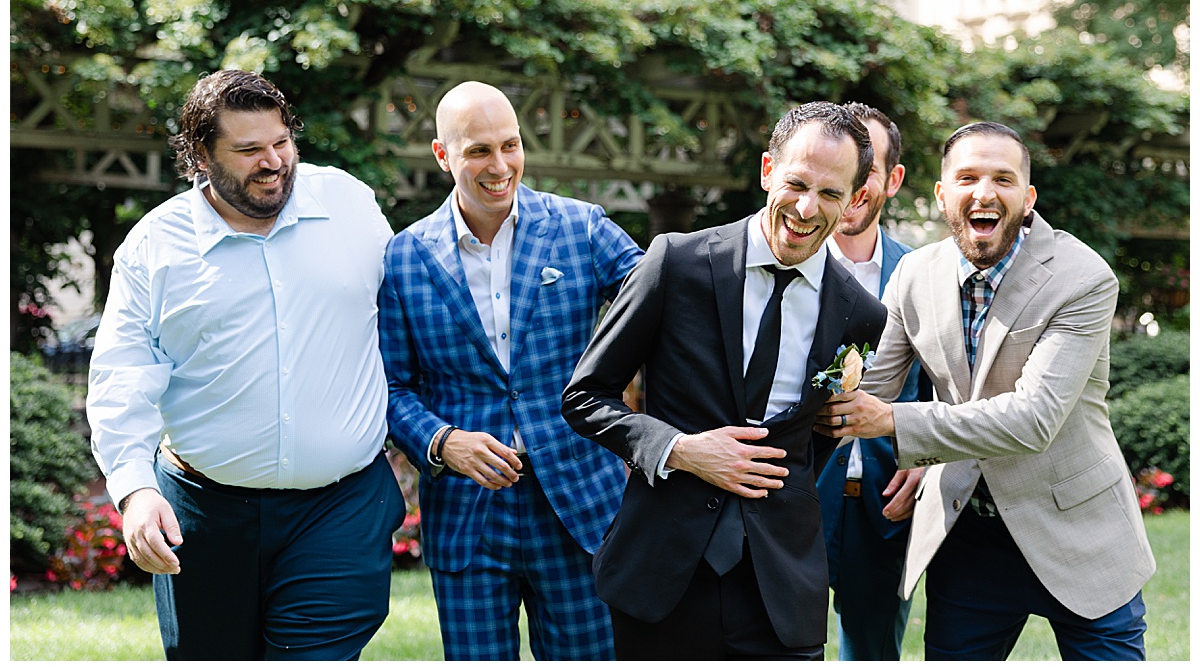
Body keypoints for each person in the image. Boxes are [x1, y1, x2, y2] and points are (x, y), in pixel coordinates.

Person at [86, 69, 404, 660]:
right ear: (200, 156)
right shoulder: (155, 246)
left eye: (282, 142)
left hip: (340, 508)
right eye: (249, 150)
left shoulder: (350, 204)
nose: (274, 162)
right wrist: (133, 491)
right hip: (203, 515)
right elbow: (121, 376)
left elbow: (406, 320)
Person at [816, 121, 1155, 660]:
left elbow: (1033, 419)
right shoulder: (914, 274)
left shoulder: (1084, 277)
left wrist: (895, 422)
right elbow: (872, 388)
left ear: (1028, 196)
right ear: (941, 193)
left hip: (1078, 532)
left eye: (1003, 178)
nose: (984, 192)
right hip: (967, 537)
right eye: (967, 176)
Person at [562, 101, 887, 660]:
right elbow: (584, 396)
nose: (807, 208)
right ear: (767, 171)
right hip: (663, 574)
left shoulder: (862, 314)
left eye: (830, 194)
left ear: (856, 199)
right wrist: (679, 449)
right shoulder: (676, 263)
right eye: (796, 183)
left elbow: (819, 436)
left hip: (782, 584)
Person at [378, 81, 642, 660]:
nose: (500, 166)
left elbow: (663, 301)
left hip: (578, 503)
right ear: (444, 156)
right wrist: (443, 443)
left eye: (511, 145)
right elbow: (391, 388)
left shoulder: (582, 228)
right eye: (478, 151)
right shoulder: (404, 257)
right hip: (469, 515)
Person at [815, 101, 930, 660]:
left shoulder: (927, 276)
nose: (852, 184)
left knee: (875, 654)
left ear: (893, 179)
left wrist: (933, 462)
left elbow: (954, 388)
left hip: (890, 502)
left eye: (868, 169)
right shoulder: (782, 268)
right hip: (794, 497)